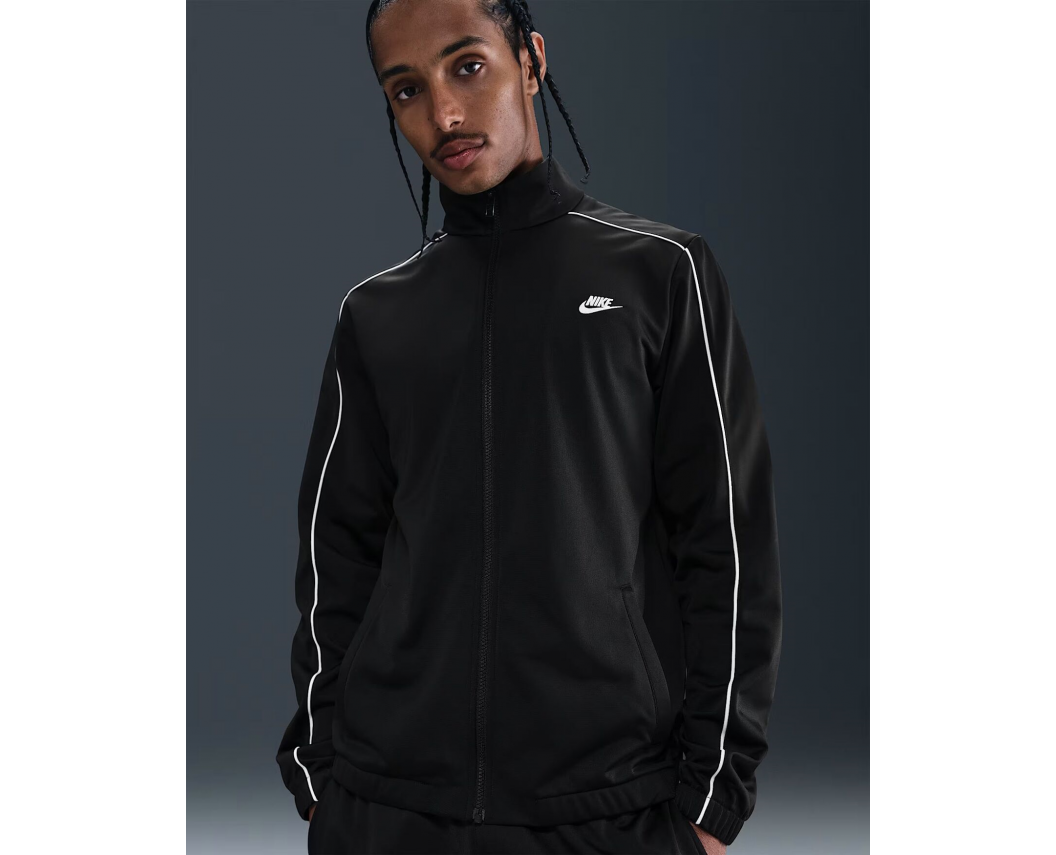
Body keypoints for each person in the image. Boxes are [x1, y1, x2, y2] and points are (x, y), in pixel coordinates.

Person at [275, 1, 783, 852]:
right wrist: (321, 777)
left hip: (607, 807)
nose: (443, 114)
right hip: (388, 805)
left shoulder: (662, 274)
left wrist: (714, 796)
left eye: (467, 66)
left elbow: (726, 546)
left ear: (531, 59)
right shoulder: (376, 314)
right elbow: (337, 562)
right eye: (406, 89)